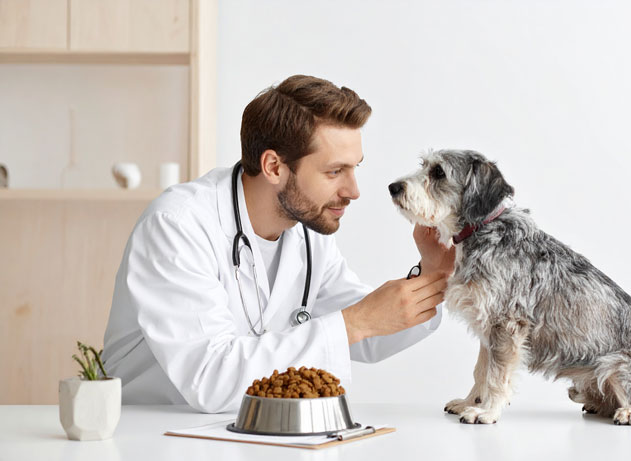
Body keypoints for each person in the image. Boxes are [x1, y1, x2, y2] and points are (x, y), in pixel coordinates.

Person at [102, 75, 455, 413]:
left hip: (251, 430)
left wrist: (435, 273)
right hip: (152, 434)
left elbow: (372, 333)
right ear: (273, 166)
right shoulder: (178, 226)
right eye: (335, 172)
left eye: (354, 168)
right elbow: (210, 377)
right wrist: (353, 323)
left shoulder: (305, 233)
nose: (354, 191)